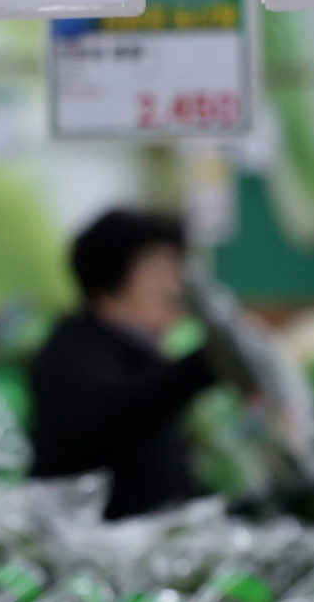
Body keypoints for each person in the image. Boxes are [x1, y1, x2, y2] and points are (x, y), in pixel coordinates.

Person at [28, 209, 217, 518]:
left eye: (176, 270)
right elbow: (110, 417)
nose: (173, 287)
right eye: (157, 271)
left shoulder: (139, 349)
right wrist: (200, 366)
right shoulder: (74, 351)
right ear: (108, 275)